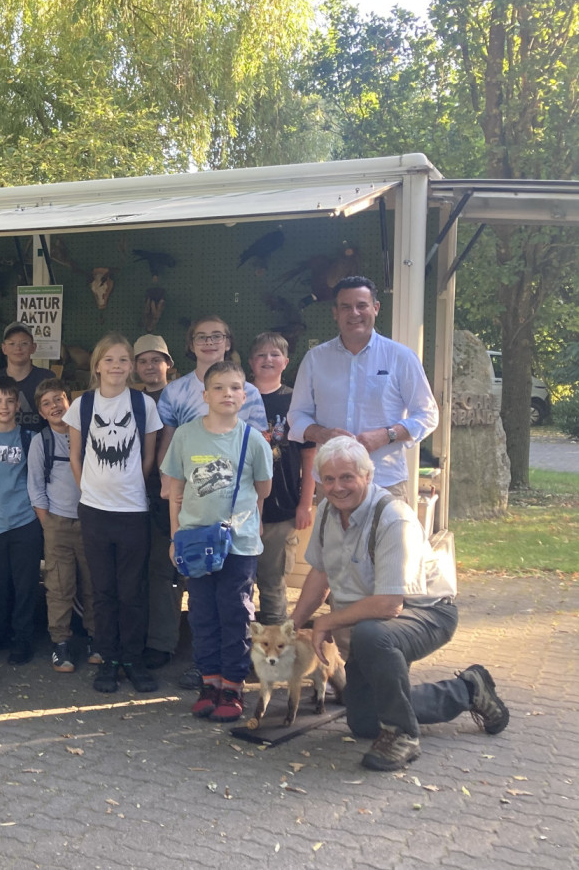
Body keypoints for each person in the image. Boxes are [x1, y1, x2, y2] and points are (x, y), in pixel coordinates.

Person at [289, 437, 508, 771]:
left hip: (428, 612)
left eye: (347, 477)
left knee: (372, 636)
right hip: (372, 620)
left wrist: (325, 622)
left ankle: (402, 736)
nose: (337, 487)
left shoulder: (394, 518)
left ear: (367, 476)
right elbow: (320, 573)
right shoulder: (327, 513)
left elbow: (390, 604)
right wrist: (291, 627)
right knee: (362, 721)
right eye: (329, 479)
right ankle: (468, 690)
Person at [156, 315, 267, 690]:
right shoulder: (186, 436)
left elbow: (262, 491)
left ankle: (233, 685)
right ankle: (209, 682)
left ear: (245, 394)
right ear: (205, 395)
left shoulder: (254, 440)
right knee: (202, 614)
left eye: (235, 388)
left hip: (239, 545)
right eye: (218, 388)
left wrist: (253, 526)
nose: (227, 394)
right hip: (194, 540)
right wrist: (175, 537)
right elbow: (174, 492)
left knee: (235, 613)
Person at [64, 334, 164, 693]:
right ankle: (108, 659)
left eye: (124, 360)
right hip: (94, 511)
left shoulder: (142, 405)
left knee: (132, 590)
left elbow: (148, 455)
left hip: (133, 510)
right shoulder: (82, 404)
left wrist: (134, 485)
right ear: (97, 365)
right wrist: (88, 489)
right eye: (110, 360)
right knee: (102, 590)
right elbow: (76, 455)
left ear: (132, 366)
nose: (117, 366)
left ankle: (132, 659)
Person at [287, 276, 440, 501]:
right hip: (331, 483)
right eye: (346, 307)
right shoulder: (315, 359)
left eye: (362, 306)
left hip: (384, 481)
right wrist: (324, 434)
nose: (354, 313)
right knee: (334, 538)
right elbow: (297, 415)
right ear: (335, 313)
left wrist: (387, 435)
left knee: (387, 538)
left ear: (376, 308)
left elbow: (428, 415)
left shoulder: (400, 357)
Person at [0, 375, 44, 665]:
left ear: (18, 405)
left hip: (25, 521)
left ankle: (23, 638)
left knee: (25, 584)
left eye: (9, 401)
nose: (4, 406)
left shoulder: (30, 438)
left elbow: (37, 481)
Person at [26, 378, 94, 674]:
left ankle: (96, 638)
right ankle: (60, 643)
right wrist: (48, 524)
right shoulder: (41, 442)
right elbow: (35, 487)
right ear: (41, 412)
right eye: (46, 403)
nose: (54, 406)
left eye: (59, 399)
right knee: (59, 584)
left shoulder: (89, 434)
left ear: (70, 401)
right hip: (57, 522)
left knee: (94, 583)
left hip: (91, 521)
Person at [248, 331, 315, 625]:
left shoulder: (296, 402)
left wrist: (305, 504)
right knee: (239, 588)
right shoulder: (237, 396)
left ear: (286, 362)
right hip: (240, 509)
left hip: (282, 508)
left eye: (274, 355)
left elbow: (309, 457)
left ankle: (277, 656)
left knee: (274, 587)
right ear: (251, 361)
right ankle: (242, 652)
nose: (268, 360)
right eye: (261, 355)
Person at [133, 333, 181, 671]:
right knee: (141, 571)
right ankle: (140, 637)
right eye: (144, 360)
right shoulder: (130, 401)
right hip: (134, 494)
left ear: (169, 364)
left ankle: (162, 643)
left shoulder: (181, 397)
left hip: (174, 494)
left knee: (166, 570)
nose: (151, 366)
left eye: (156, 359)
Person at [0, 322, 56, 433]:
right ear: (4, 348)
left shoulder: (47, 378)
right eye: (12, 344)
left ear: (33, 347)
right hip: (0, 448)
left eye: (24, 343)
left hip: (39, 447)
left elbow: (59, 420)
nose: (18, 348)